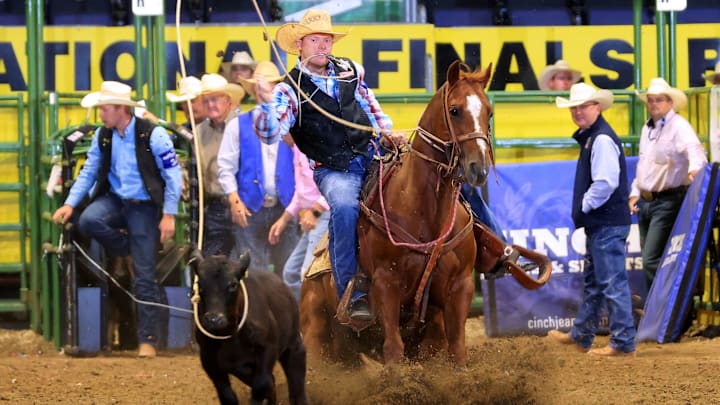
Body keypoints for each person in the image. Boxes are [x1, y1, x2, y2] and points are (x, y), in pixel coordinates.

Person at [251, 9, 407, 321]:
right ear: (300, 45)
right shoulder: (287, 90)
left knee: (431, 173)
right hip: (334, 169)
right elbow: (270, 134)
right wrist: (270, 100)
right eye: (315, 40)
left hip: (372, 152)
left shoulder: (351, 71)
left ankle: (495, 249)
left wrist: (388, 131)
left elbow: (369, 105)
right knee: (346, 207)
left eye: (326, 40)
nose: (322, 46)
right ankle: (352, 293)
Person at [51, 81, 183, 358]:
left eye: (105, 109)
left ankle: (148, 339)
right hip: (116, 199)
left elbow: (173, 176)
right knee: (88, 221)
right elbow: (88, 172)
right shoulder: (104, 135)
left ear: (122, 109)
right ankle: (129, 248)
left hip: (145, 206)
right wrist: (70, 204)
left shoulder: (154, 135)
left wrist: (168, 214)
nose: (101, 114)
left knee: (145, 277)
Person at [547, 83, 636, 356]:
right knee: (598, 283)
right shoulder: (595, 137)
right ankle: (582, 336)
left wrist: (585, 206)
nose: (577, 112)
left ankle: (622, 343)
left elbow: (605, 183)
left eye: (583, 106)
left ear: (597, 107)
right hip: (605, 221)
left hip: (605, 221)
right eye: (575, 107)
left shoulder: (600, 139)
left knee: (609, 283)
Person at [232, 60, 330, 300]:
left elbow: (333, 182)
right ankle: (301, 319)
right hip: (305, 213)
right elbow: (302, 191)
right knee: (292, 271)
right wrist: (285, 219)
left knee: (307, 272)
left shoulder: (310, 143)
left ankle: (314, 323)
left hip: (321, 214)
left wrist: (314, 212)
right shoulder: (298, 149)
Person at [217, 62, 300, 277]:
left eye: (270, 87)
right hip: (249, 208)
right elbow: (225, 167)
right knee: (253, 275)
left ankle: (288, 311)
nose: (265, 91)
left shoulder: (292, 126)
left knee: (289, 272)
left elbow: (304, 165)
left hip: (286, 208)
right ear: (254, 92)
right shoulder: (237, 125)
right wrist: (234, 200)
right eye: (261, 87)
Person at [629, 78, 707, 287]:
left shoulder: (679, 126)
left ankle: (663, 309)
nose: (654, 104)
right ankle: (663, 308)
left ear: (669, 102)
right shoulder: (649, 129)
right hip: (649, 201)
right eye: (651, 100)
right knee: (653, 257)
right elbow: (643, 164)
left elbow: (694, 149)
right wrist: (635, 192)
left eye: (659, 100)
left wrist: (695, 168)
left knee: (651, 258)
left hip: (667, 200)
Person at [195, 73, 246, 257]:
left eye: (215, 99)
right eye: (206, 101)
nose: (210, 105)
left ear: (228, 101)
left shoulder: (243, 126)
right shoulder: (199, 132)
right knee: (214, 263)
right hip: (215, 206)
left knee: (245, 260)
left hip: (243, 203)